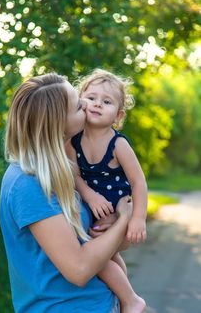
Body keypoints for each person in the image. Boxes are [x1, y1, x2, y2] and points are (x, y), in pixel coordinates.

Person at [0, 72, 135, 313]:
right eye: (77, 105)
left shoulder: (63, 168)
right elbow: (79, 269)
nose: (86, 103)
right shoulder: (28, 183)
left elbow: (102, 244)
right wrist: (124, 218)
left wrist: (111, 223)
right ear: (57, 124)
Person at [66, 69, 148, 313]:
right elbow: (75, 176)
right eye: (91, 98)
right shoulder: (73, 140)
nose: (97, 104)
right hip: (95, 210)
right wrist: (90, 195)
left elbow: (138, 182)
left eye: (107, 101)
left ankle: (131, 300)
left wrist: (137, 219)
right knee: (106, 257)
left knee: (95, 258)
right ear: (80, 101)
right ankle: (124, 298)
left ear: (118, 115)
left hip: (117, 212)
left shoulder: (118, 144)